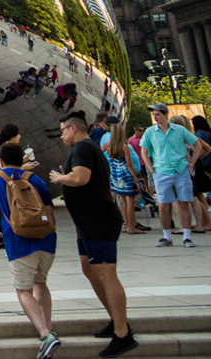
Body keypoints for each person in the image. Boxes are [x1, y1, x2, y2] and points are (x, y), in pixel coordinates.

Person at [50, 114, 137, 358]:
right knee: (89, 268)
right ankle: (115, 319)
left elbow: (80, 178)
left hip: (98, 221)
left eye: (62, 131)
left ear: (73, 128)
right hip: (88, 222)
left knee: (106, 273)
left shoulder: (83, 147)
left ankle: (123, 334)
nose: (62, 136)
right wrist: (65, 174)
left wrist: (60, 178)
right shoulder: (87, 148)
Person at [0, 142, 59, 359]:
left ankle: (45, 334)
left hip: (19, 241)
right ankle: (49, 326)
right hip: (46, 241)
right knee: (40, 283)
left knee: (23, 290)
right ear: (21, 159)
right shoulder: (36, 179)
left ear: (1, 160)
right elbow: (50, 214)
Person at [141, 103, 209, 247]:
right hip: (161, 171)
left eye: (158, 114)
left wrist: (191, 162)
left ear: (166, 115)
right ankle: (167, 236)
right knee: (164, 205)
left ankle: (187, 236)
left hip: (180, 170)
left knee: (184, 202)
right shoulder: (150, 132)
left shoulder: (179, 130)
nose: (155, 117)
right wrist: (151, 169)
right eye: (154, 115)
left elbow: (198, 145)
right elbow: (144, 151)